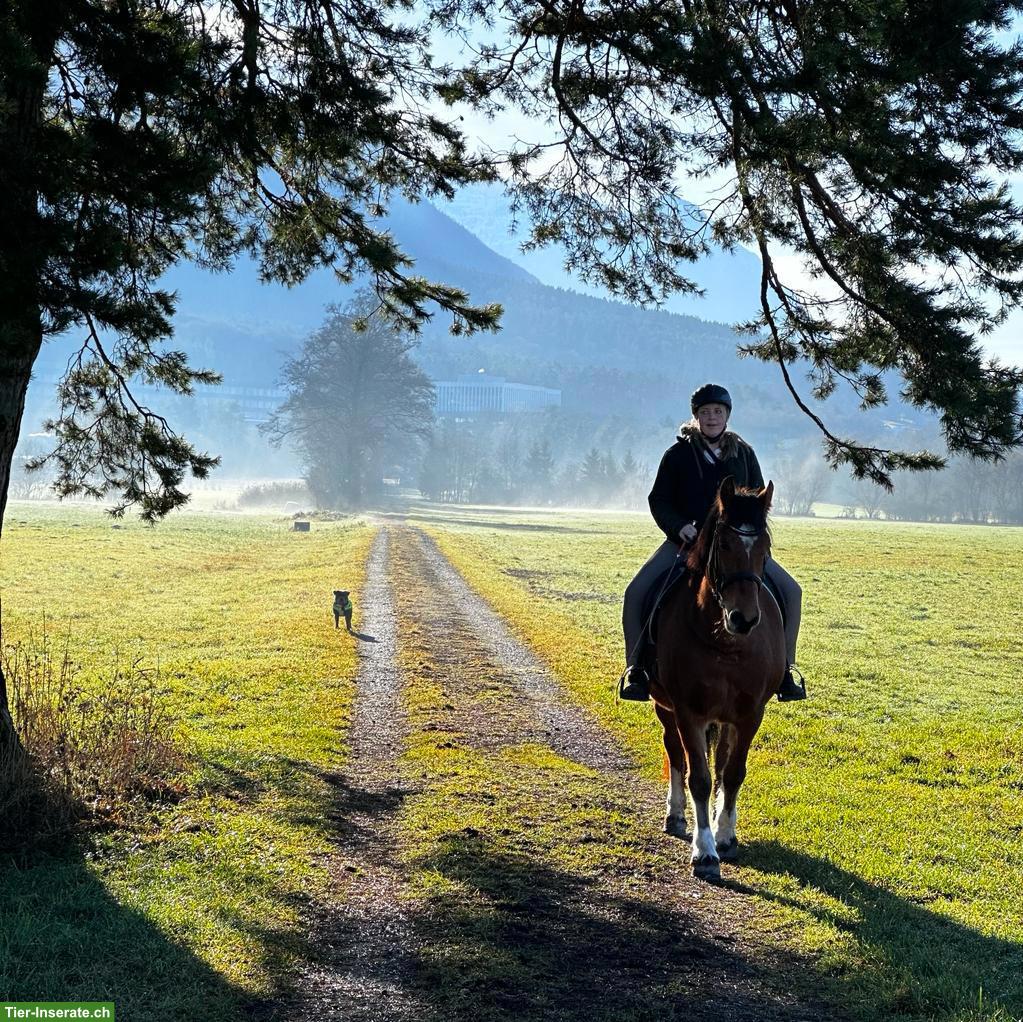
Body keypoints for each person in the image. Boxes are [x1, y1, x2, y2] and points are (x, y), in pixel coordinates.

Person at [618, 383, 807, 703]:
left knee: (792, 591)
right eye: (705, 413)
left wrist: (752, 537)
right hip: (685, 545)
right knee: (635, 593)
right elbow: (659, 500)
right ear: (696, 417)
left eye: (718, 412)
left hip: (737, 548)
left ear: (727, 416)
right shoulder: (677, 455)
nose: (712, 418)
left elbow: (758, 499)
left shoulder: (744, 453)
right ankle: (636, 670)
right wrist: (680, 528)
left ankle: (786, 670)